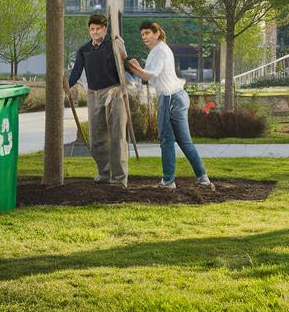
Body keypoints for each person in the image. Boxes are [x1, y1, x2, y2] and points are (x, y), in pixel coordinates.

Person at [128, 21, 212, 189]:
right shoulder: (158, 50)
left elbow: (150, 75)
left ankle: (168, 181)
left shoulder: (160, 51)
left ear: (157, 33)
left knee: (166, 140)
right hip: (177, 96)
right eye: (142, 34)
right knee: (184, 141)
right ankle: (203, 178)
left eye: (147, 33)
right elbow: (150, 77)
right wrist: (136, 67)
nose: (144, 37)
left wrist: (132, 66)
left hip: (170, 98)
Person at [66, 13, 133, 187]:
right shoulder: (84, 50)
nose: (95, 32)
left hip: (114, 92)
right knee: (96, 139)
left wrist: (121, 45)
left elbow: (124, 61)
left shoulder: (113, 45)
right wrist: (66, 85)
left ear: (104, 29)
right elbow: (76, 71)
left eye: (98, 29)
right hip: (93, 94)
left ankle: (119, 179)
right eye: (92, 29)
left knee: (117, 136)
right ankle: (104, 173)